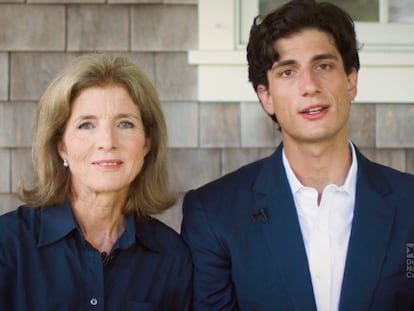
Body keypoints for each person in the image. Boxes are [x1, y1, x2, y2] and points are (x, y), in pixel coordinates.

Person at [181, 0, 414, 310]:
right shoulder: (214, 215)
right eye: (288, 72)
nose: (310, 86)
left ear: (351, 81)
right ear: (266, 97)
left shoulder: (409, 203)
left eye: (324, 66)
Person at [0, 53, 191, 310]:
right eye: (86, 125)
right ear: (61, 146)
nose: (107, 141)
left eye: (125, 123)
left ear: (147, 143)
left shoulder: (171, 256)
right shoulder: (8, 244)